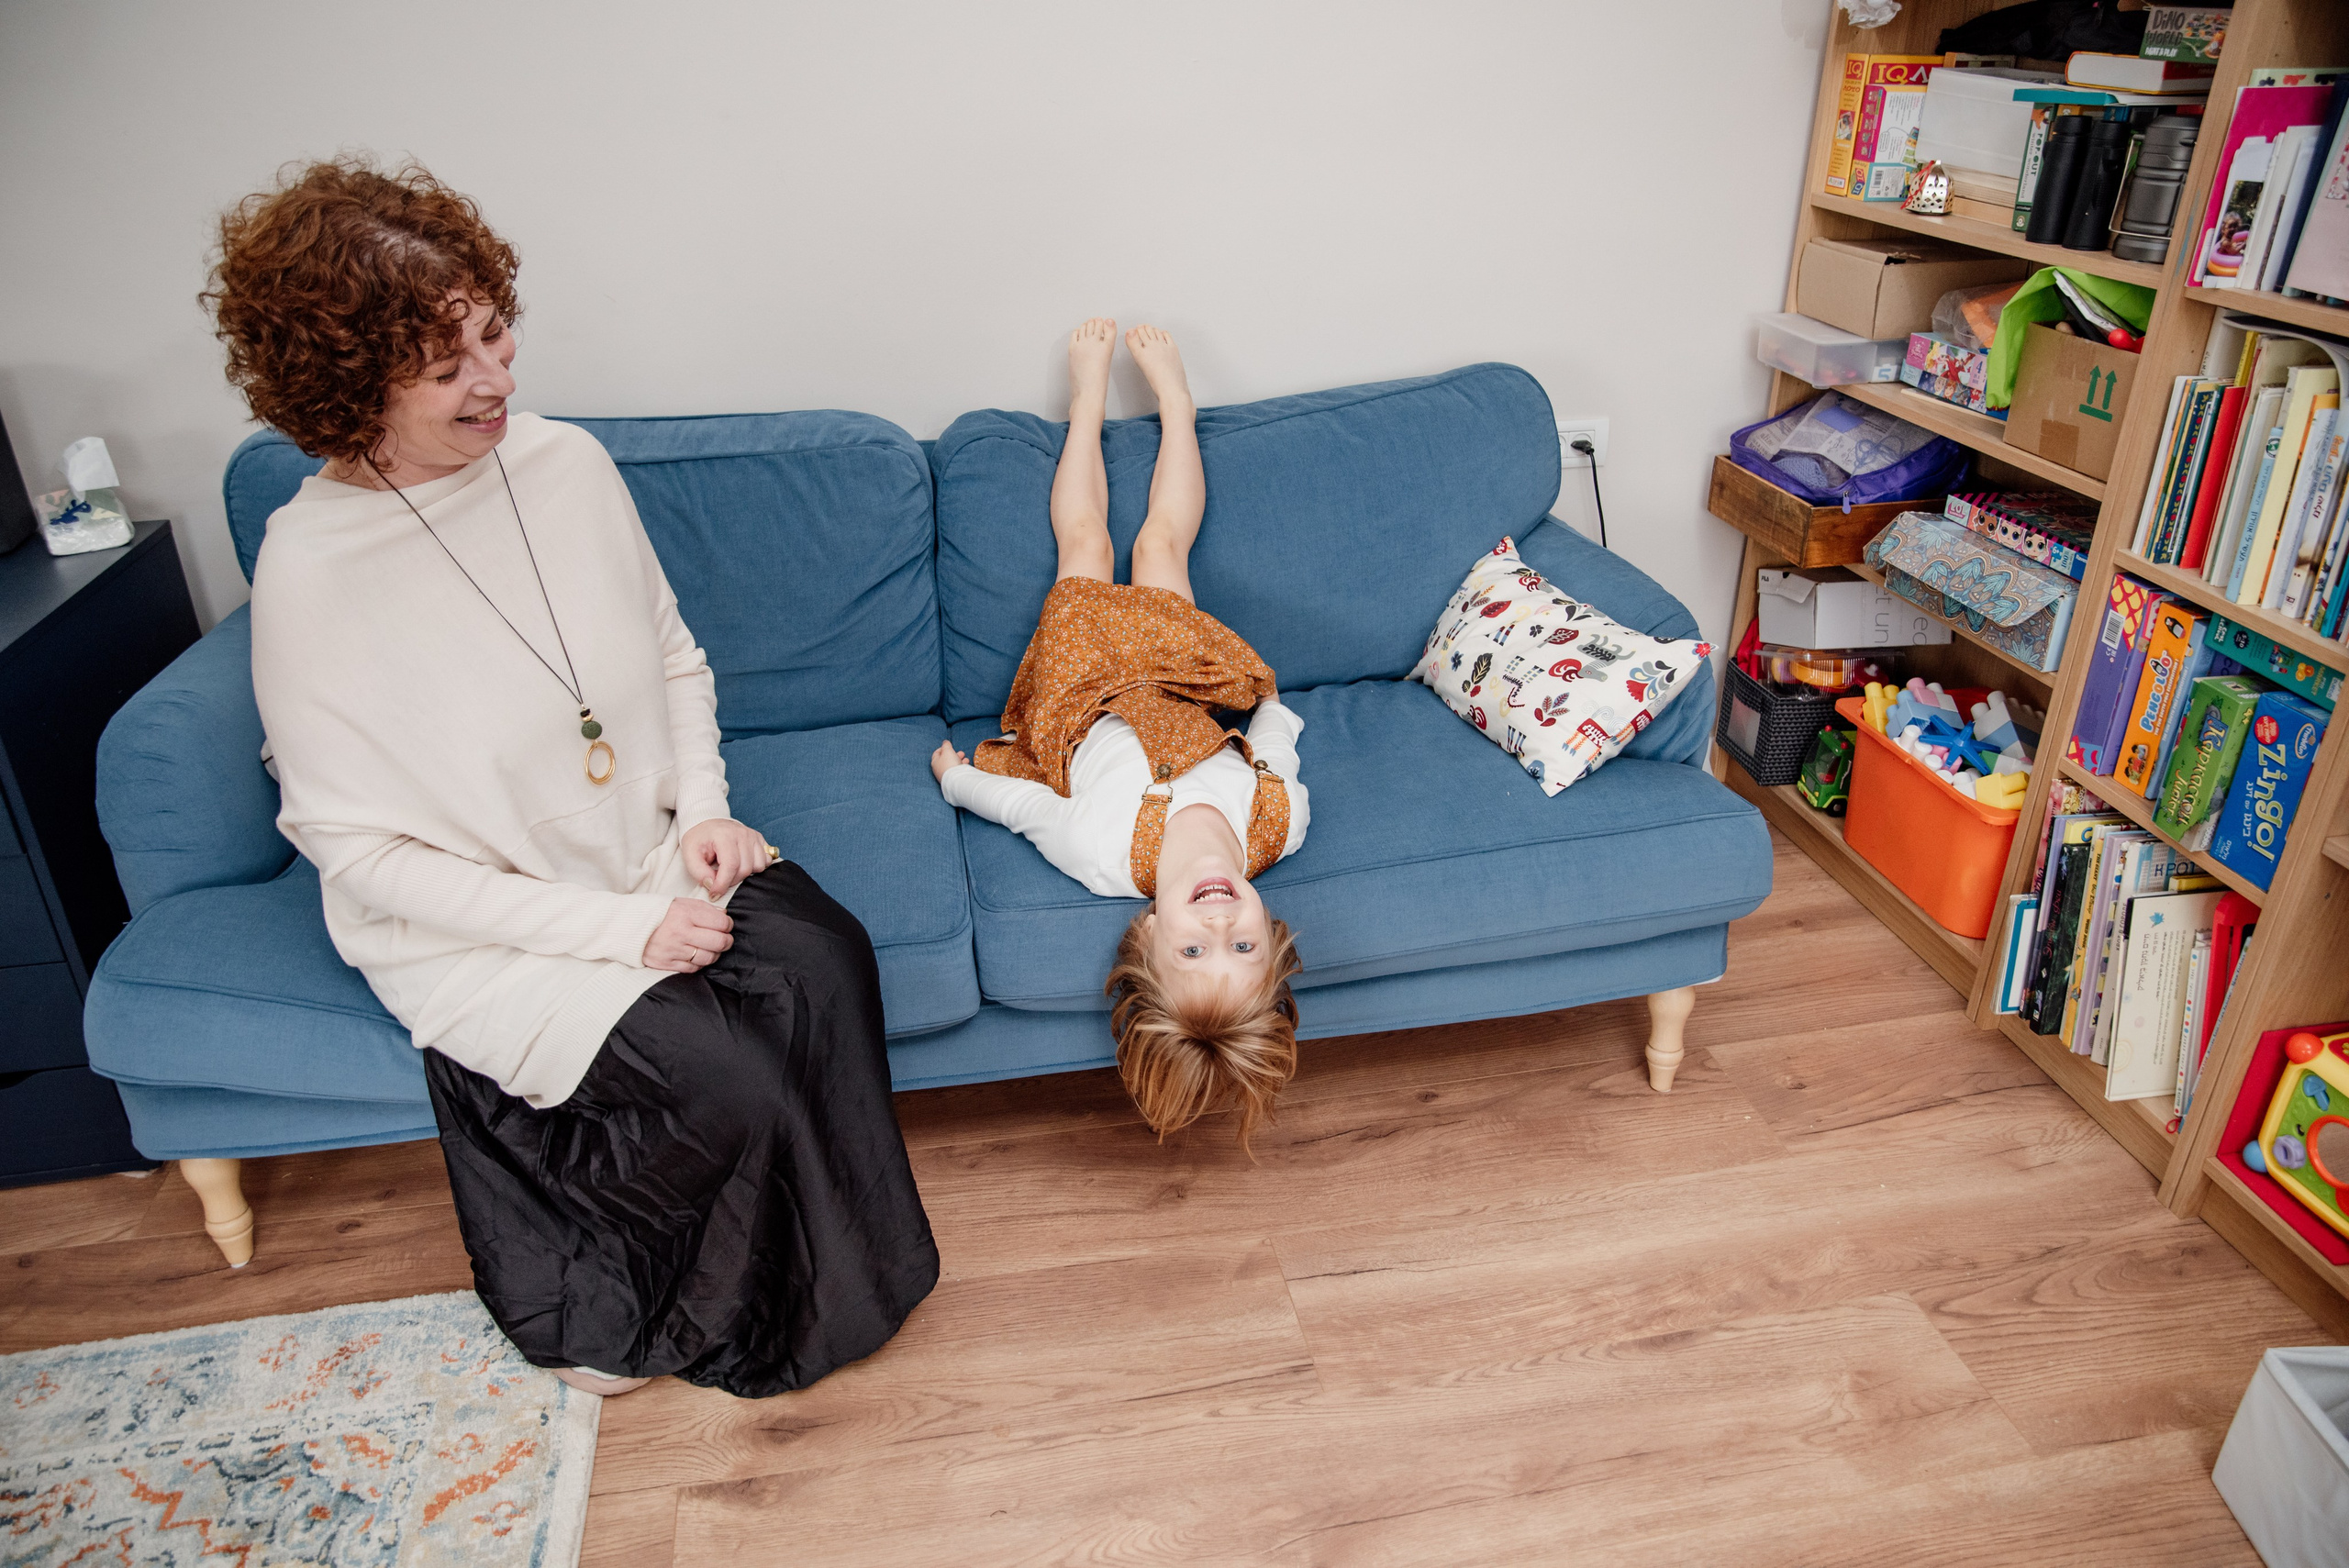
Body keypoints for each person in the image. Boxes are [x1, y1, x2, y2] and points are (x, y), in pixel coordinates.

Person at [208, 158, 937, 1399]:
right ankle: (645, 1311)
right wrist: (622, 932)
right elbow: (370, 857)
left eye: (493, 334)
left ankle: (845, 1278)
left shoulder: (565, 465)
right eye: (445, 371)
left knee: (827, 958)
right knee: (732, 1082)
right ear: (346, 396)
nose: (495, 380)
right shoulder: (311, 574)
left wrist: (701, 808)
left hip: (646, 850)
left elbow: (670, 657)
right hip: (489, 927)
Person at [933, 320, 1308, 1153]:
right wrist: (1275, 707)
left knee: (1090, 544)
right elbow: (1277, 751)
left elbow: (1024, 806)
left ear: (1146, 936)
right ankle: (1178, 408)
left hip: (1084, 690)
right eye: (1241, 944)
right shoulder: (1275, 827)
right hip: (1177, 677)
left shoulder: (1106, 854)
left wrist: (958, 779)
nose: (1219, 922)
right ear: (1270, 934)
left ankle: (1087, 403)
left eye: (1191, 946)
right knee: (1161, 543)